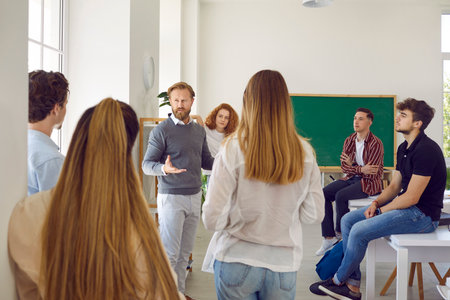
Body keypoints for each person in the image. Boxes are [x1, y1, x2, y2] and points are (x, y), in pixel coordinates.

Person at [9, 98, 183, 300]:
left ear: (76, 142)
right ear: (126, 153)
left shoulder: (27, 213)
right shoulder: (137, 231)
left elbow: (28, 292)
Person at [202, 70, 325, 300]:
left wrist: (240, 217)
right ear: (285, 104)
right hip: (283, 266)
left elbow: (212, 219)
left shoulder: (231, 148)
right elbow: (313, 215)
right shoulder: (305, 153)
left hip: (236, 259)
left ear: (247, 102)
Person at [310, 98, 446, 300]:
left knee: (358, 230)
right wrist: (375, 203)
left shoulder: (427, 150)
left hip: (422, 216)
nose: (397, 118)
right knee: (347, 220)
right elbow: (394, 186)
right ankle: (353, 287)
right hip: (407, 209)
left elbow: (412, 197)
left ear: (417, 123)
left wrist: (381, 211)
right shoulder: (404, 148)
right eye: (399, 114)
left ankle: (338, 281)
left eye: (403, 115)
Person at [142, 82, 214, 298]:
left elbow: (207, 161)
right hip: (171, 198)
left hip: (194, 197)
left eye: (184, 100)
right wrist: (164, 168)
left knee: (184, 255)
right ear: (171, 102)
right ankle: (164, 294)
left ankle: (178, 293)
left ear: (192, 101)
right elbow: (147, 165)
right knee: (169, 254)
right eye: (176, 100)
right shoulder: (161, 130)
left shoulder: (199, 130)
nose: (180, 105)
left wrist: (227, 161)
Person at [316, 108, 384, 256]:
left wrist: (353, 166)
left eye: (360, 119)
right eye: (355, 118)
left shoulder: (375, 143)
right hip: (352, 178)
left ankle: (340, 233)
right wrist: (358, 168)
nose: (356, 122)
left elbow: (371, 172)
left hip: (369, 182)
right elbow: (344, 166)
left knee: (341, 196)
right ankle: (328, 237)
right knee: (323, 193)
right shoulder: (349, 140)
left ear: (369, 122)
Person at [27, 70, 69, 195]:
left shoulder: (15, 148)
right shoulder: (52, 161)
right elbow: (59, 213)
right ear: (56, 108)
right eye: (65, 104)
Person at [192, 103, 239, 183]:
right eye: (220, 116)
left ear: (230, 120)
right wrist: (197, 117)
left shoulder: (231, 135)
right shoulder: (205, 129)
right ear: (215, 116)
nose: (223, 119)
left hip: (228, 174)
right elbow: (183, 118)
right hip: (211, 173)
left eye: (226, 118)